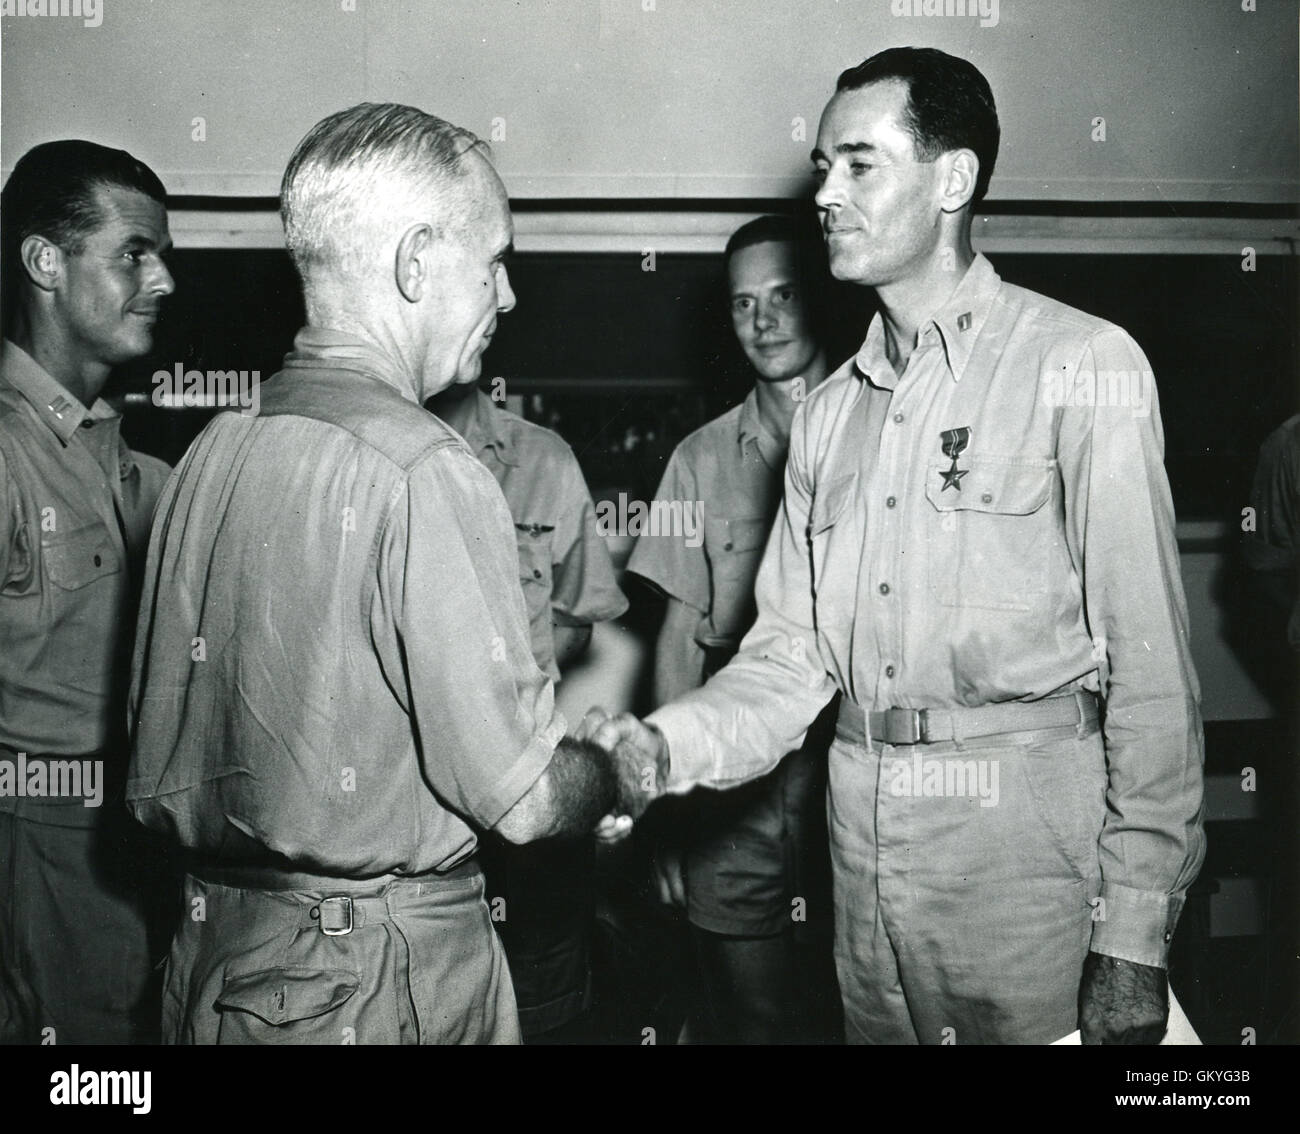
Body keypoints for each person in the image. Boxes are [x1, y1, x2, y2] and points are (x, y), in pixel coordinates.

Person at [583, 47, 1206, 1045]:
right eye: (823, 164)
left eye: (858, 165)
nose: (824, 192)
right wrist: (658, 751)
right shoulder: (827, 419)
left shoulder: (1080, 364)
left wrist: (1132, 935)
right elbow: (790, 657)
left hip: (1028, 882)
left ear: (951, 180)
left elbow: (1151, 675)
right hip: (864, 882)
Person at [127, 103, 642, 1045]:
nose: (509, 294)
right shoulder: (428, 469)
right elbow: (524, 802)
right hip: (374, 979)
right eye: (493, 260)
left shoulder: (209, 453)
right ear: (415, 264)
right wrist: (609, 772)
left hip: (214, 961)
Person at [625, 215, 839, 1043]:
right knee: (752, 1017)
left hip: (848, 775)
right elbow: (678, 639)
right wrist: (668, 817)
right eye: (744, 303)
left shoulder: (880, 435)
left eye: (783, 295)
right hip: (735, 791)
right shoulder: (698, 460)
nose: (764, 321)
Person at [0, 140, 177, 1044]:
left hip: (130, 843)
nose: (163, 281)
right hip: (34, 848)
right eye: (134, 254)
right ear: (46, 262)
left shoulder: (133, 467)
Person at [426, 379, 627, 1041]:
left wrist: (505, 692)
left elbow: (576, 616)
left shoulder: (542, 460)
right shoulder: (364, 453)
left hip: (528, 792)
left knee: (546, 1011)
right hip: (415, 812)